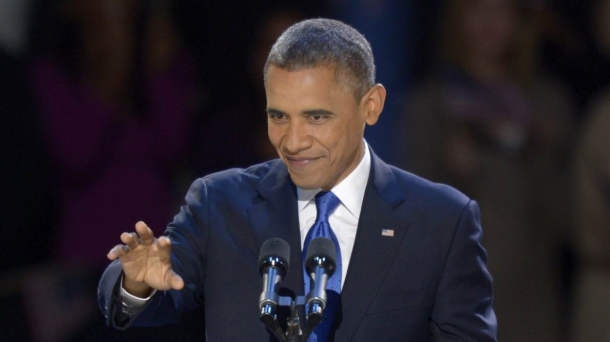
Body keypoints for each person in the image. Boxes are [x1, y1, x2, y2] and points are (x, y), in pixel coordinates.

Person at [99, 18, 497, 341]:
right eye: (279, 116)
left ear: (371, 106)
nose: (292, 141)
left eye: (316, 117)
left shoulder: (442, 221)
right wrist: (136, 283)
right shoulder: (220, 203)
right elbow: (150, 295)